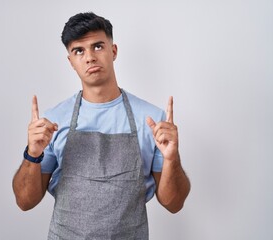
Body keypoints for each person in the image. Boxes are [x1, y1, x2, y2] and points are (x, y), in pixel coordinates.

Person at [13, 12, 190, 239]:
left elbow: (173, 203)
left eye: (97, 46)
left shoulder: (152, 120)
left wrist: (172, 158)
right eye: (79, 50)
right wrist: (32, 154)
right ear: (71, 61)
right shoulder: (53, 123)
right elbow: (25, 202)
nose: (89, 57)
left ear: (113, 51)